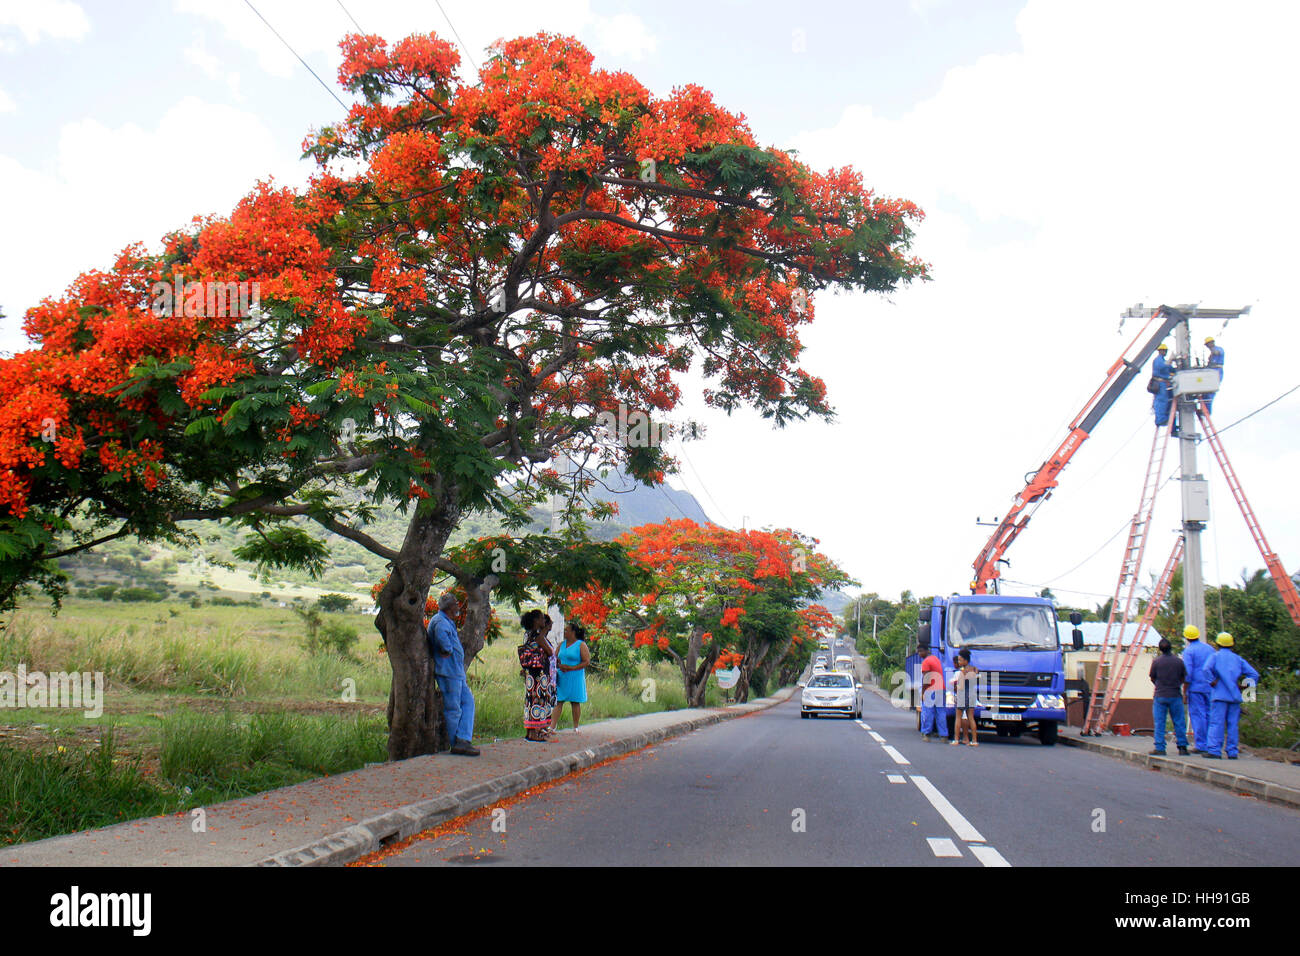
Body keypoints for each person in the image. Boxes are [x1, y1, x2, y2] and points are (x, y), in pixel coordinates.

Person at [427, 591, 479, 756]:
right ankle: (456, 742)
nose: (458, 606)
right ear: (450, 607)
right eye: (456, 604)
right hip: (448, 672)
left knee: (468, 702)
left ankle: (463, 738)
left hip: (455, 672)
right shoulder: (441, 622)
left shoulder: (445, 621)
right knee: (453, 707)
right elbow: (443, 642)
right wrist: (447, 649)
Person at [1200, 632, 1259, 760]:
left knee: (1216, 723)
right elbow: (1254, 674)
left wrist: (1212, 681)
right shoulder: (1238, 659)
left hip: (1219, 696)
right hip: (1235, 697)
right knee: (1233, 725)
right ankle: (1232, 751)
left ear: (1218, 644)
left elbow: (1205, 669)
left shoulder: (1214, 656)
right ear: (1232, 645)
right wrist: (1244, 686)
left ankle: (1215, 750)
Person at [519, 609, 556, 742]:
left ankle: (530, 732)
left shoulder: (528, 635)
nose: (543, 621)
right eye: (541, 618)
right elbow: (550, 652)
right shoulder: (538, 636)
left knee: (531, 700)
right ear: (535, 621)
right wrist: (545, 630)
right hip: (539, 674)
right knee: (538, 700)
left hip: (531, 674)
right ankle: (535, 733)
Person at [1149, 637, 1188, 756]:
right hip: (1175, 695)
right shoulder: (1178, 661)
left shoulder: (1156, 662)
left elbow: (1152, 677)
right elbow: (1183, 678)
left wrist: (1160, 685)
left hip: (1160, 695)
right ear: (1171, 647)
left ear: (1160, 649)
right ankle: (1182, 747)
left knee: (1160, 722)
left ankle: (1160, 748)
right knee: (1179, 721)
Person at [1181, 624, 1214, 753]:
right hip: (1210, 687)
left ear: (1186, 637)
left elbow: (1187, 673)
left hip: (1195, 688)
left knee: (1198, 716)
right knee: (1209, 715)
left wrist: (1185, 692)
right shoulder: (1210, 649)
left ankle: (1201, 745)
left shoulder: (1189, 651)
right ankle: (1212, 744)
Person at [554, 621, 591, 732]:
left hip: (575, 676)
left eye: (567, 630)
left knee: (575, 701)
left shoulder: (581, 644)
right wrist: (559, 665)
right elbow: (554, 658)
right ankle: (552, 726)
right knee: (559, 700)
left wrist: (571, 668)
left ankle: (575, 726)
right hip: (562, 675)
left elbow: (586, 661)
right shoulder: (561, 644)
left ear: (573, 632)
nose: (565, 632)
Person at [918, 643, 948, 740]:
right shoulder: (936, 659)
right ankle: (943, 736)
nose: (919, 654)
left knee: (928, 712)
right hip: (941, 689)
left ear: (926, 651)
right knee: (941, 713)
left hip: (931, 690)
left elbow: (927, 679)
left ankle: (926, 734)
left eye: (920, 651)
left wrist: (923, 692)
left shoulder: (926, 662)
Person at [950, 649, 979, 746]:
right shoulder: (974, 669)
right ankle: (974, 741)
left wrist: (955, 685)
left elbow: (961, 686)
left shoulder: (962, 672)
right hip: (972, 695)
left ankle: (956, 740)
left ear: (966, 660)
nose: (958, 662)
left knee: (958, 717)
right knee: (971, 718)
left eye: (960, 660)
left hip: (962, 695)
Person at [1151, 343, 1176, 429]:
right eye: (1163, 350)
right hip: (1159, 383)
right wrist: (1170, 360)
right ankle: (1160, 419)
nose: (1164, 352)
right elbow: (1162, 367)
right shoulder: (1158, 360)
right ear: (1159, 351)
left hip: (1164, 384)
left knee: (1166, 401)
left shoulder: (1163, 360)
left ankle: (1166, 420)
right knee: (1161, 401)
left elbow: (1170, 369)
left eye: (1165, 351)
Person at [1204, 336, 1224, 413]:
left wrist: (1212, 351)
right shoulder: (1211, 355)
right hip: (1211, 372)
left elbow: (1217, 352)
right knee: (1205, 392)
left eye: (1209, 344)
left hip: (1217, 371)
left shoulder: (1219, 349)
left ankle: (1207, 411)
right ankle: (1205, 409)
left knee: (1211, 391)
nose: (1208, 346)